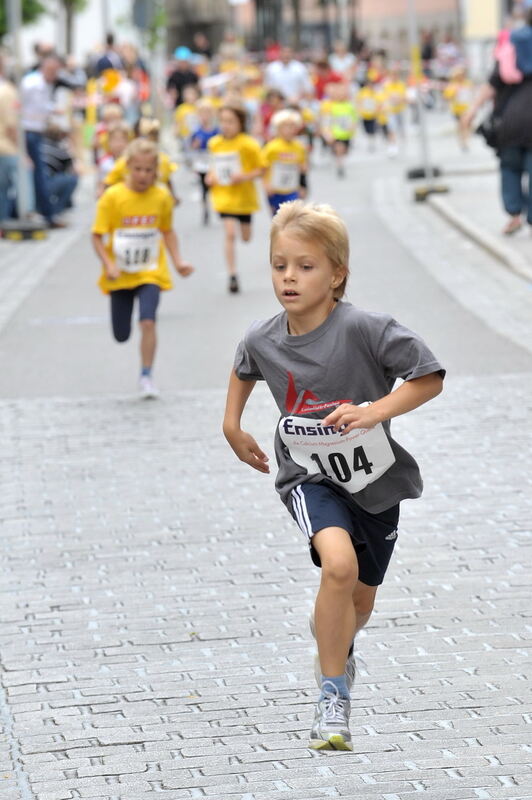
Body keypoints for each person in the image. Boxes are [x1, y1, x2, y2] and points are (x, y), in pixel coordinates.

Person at [223, 201, 444, 751]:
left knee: (360, 602)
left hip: (374, 482)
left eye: (305, 266)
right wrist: (232, 426)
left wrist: (374, 411)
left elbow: (429, 376)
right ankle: (332, 698)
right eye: (279, 266)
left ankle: (338, 649)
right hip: (307, 474)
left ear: (337, 273)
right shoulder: (263, 336)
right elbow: (244, 365)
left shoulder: (368, 329)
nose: (289, 278)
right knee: (338, 567)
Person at [91, 138, 194, 398]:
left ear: (156, 171)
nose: (143, 175)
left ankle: (146, 375)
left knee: (148, 321)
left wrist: (178, 261)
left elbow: (167, 231)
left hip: (151, 271)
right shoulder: (113, 197)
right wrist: (109, 264)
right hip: (120, 275)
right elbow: (96, 236)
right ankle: (142, 368)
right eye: (138, 169)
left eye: (149, 170)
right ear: (127, 167)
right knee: (122, 335)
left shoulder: (161, 196)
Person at [462, 16, 532, 235]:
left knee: (510, 167)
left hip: (508, 122)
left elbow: (492, 84)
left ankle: (514, 214)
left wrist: (472, 110)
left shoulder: (511, 47)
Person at [206, 103, 262, 294]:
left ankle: (233, 271)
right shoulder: (214, 143)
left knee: (246, 238)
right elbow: (213, 165)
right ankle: (232, 274)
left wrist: (244, 176)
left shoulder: (248, 144)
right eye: (222, 121)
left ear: (240, 123)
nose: (226, 125)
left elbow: (261, 168)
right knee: (229, 233)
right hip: (223, 196)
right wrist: (210, 176)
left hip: (244, 198)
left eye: (230, 121)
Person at [20, 52, 67, 228]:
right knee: (37, 174)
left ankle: (45, 212)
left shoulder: (43, 84)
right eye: (53, 70)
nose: (54, 75)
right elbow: (24, 107)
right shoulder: (32, 84)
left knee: (39, 173)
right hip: (29, 132)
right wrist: (53, 110)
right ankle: (45, 214)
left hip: (35, 131)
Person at [104, 118, 180, 205]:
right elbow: (108, 183)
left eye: (153, 136)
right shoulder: (125, 161)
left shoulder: (163, 160)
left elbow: (167, 180)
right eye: (145, 136)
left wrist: (173, 196)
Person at [261, 110, 307, 215]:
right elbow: (263, 168)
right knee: (277, 218)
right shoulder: (271, 147)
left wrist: (303, 186)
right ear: (278, 129)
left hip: (292, 189)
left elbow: (303, 168)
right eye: (286, 127)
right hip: (275, 189)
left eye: (292, 127)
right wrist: (266, 185)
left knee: (291, 217)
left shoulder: (299, 147)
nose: (290, 130)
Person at [190, 100, 219, 225]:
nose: (204, 116)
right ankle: (205, 209)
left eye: (207, 113)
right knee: (203, 188)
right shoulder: (196, 131)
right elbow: (192, 145)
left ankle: (217, 205)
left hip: (213, 162)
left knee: (214, 186)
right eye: (202, 114)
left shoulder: (215, 130)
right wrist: (195, 144)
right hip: (201, 163)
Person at [320, 81, 357, 177]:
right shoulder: (331, 106)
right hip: (336, 132)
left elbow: (353, 117)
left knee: (345, 150)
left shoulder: (349, 105)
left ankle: (339, 159)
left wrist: (353, 127)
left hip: (346, 133)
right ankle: (339, 164)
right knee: (339, 148)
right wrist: (327, 133)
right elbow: (327, 120)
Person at [41, 121, 79, 216]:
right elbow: (72, 169)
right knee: (72, 179)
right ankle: (58, 209)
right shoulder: (59, 149)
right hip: (47, 183)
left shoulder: (40, 146)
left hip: (39, 183)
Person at [0, 53, 18, 223]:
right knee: (4, 188)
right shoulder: (6, 91)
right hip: (5, 147)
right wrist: (20, 148)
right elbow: (11, 124)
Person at [97, 121, 131, 195]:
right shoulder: (105, 162)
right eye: (115, 140)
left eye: (122, 140)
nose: (119, 144)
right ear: (108, 142)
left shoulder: (132, 161)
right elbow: (100, 183)